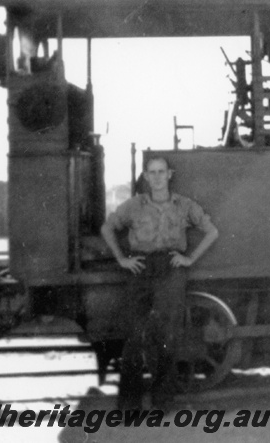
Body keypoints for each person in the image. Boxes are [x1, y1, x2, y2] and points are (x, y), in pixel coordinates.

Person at [100, 156, 219, 410]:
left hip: (170, 269)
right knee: (134, 336)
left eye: (160, 172)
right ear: (145, 176)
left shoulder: (184, 205)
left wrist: (189, 259)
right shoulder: (134, 206)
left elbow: (212, 232)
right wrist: (121, 259)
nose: (156, 177)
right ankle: (129, 407)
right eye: (151, 172)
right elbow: (108, 228)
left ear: (169, 175)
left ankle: (162, 403)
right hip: (140, 268)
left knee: (167, 336)